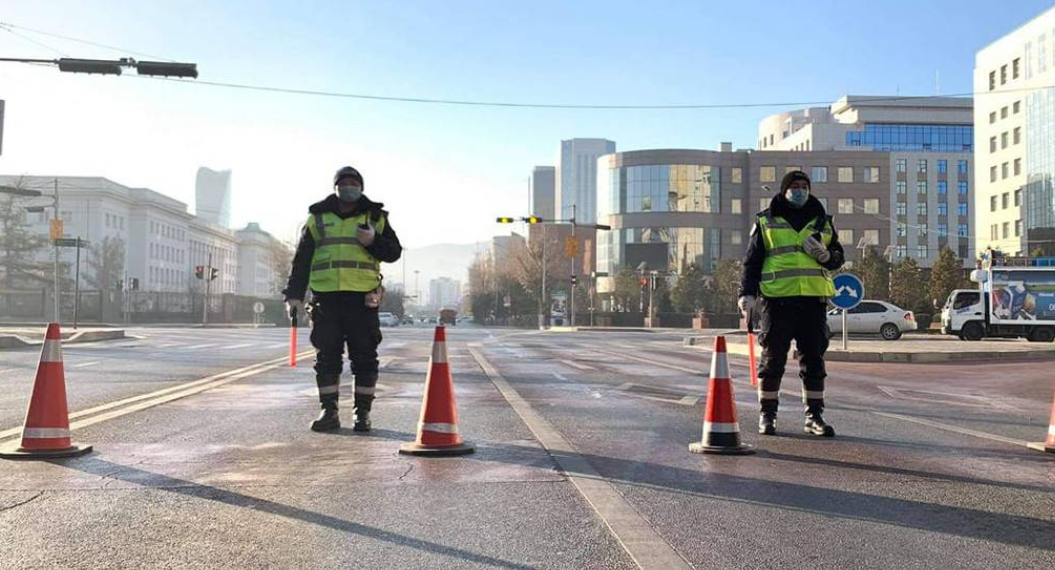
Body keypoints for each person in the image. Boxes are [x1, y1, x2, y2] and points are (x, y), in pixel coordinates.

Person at [283, 166, 402, 432]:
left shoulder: (375, 216)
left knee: (365, 357)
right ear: (335, 186)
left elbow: (394, 252)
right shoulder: (318, 217)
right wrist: (293, 295)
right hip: (326, 299)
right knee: (327, 357)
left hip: (362, 300)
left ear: (361, 186)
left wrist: (373, 241)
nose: (349, 186)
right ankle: (329, 411)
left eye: (354, 182)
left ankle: (363, 414)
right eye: (344, 182)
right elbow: (302, 259)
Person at [738, 170, 844, 437]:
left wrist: (826, 255)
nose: (799, 190)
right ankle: (768, 415)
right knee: (773, 359)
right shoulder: (766, 220)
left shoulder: (823, 221)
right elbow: (752, 261)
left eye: (804, 186)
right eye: (794, 186)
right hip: (778, 300)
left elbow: (838, 257)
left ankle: (814, 416)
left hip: (813, 301)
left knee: (814, 360)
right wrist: (746, 294)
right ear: (784, 190)